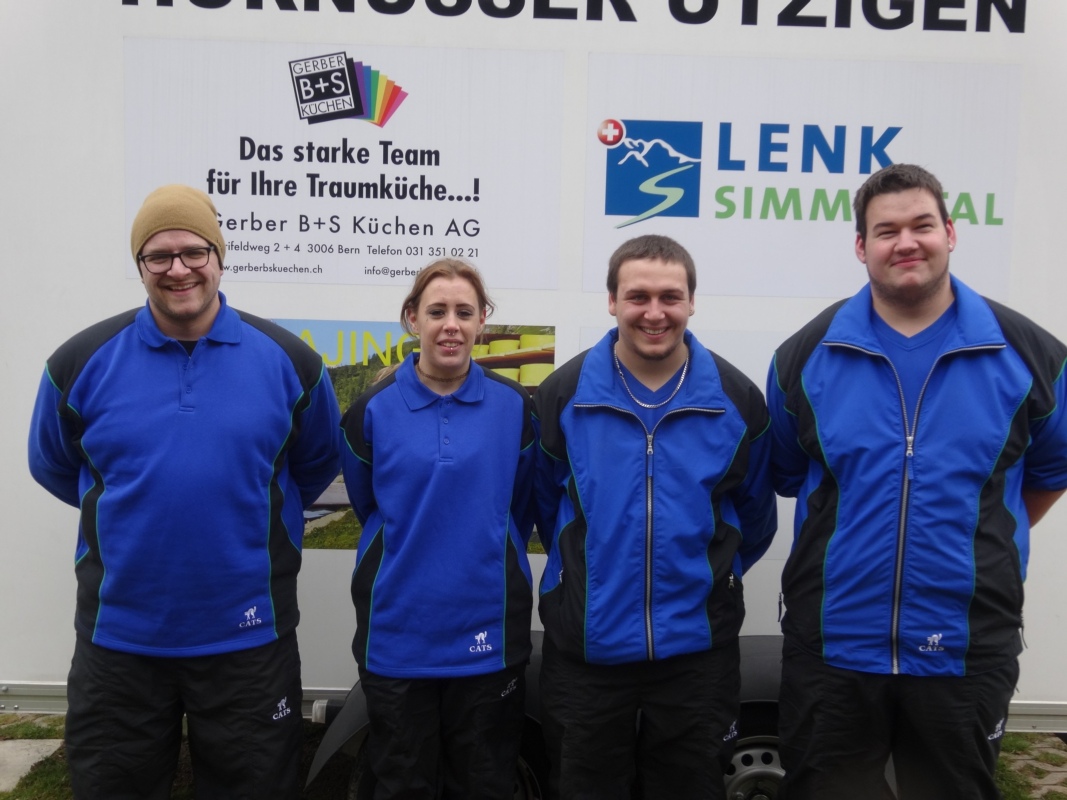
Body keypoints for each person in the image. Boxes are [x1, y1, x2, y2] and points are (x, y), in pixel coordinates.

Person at [27, 184, 343, 800]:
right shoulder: (80, 362)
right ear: (140, 265)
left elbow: (311, 466)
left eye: (195, 251)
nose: (178, 269)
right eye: (158, 255)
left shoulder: (290, 361)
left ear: (219, 256)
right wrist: (139, 505)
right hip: (120, 638)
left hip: (248, 637)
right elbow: (57, 467)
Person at [767, 163, 1067, 800]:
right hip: (833, 644)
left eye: (922, 225)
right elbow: (793, 476)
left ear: (950, 233)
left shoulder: (1031, 355)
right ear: (861, 246)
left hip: (965, 643)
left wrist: (975, 533)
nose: (906, 242)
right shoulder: (804, 356)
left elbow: (1047, 475)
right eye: (886, 231)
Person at [532, 234, 777, 799]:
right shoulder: (563, 394)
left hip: (697, 655)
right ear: (611, 301)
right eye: (637, 296)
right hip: (587, 651)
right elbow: (546, 507)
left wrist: (713, 576)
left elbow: (754, 519)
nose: (654, 312)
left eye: (670, 296)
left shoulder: (736, 399)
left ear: (691, 302)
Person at [339, 259, 537, 798]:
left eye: (464, 312)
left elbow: (519, 506)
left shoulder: (515, 407)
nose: (451, 324)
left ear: (482, 321)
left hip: (488, 633)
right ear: (412, 319)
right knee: (403, 784)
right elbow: (367, 503)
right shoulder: (372, 410)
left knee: (486, 783)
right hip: (398, 635)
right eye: (437, 311)